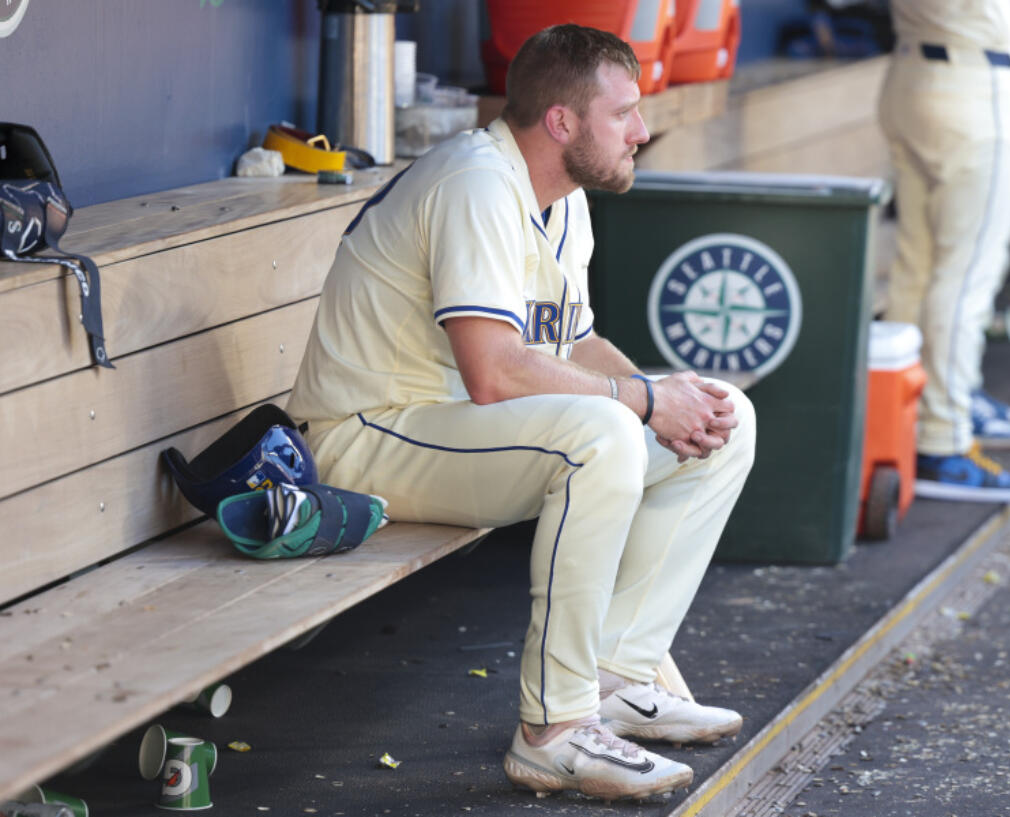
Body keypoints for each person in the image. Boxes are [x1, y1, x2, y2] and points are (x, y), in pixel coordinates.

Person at [285, 24, 756, 800]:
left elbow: (573, 341)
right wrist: (640, 402)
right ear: (563, 122)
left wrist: (666, 399)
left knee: (721, 413)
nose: (642, 130)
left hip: (450, 430)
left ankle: (616, 674)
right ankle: (553, 729)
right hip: (363, 434)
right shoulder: (477, 180)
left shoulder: (563, 196)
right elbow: (495, 373)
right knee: (603, 433)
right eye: (625, 113)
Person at [879, 0, 1010, 502]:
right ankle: (942, 440)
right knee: (964, 278)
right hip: (974, 85)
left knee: (917, 271)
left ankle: (899, 421)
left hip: (910, 76)